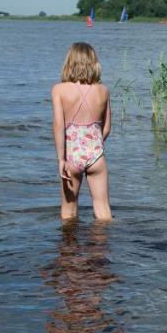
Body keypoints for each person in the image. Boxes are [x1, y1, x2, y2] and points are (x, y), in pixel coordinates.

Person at [51, 42, 112, 221]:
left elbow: (58, 126)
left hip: (71, 156)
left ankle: (69, 248)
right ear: (94, 63)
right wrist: (94, 145)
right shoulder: (103, 90)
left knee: (68, 212)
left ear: (69, 62)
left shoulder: (59, 90)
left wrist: (61, 159)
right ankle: (102, 247)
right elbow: (107, 127)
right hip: (96, 154)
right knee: (103, 211)